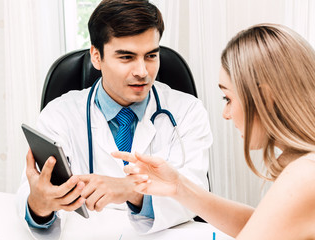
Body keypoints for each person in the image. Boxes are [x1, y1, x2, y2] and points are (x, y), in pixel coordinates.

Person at [16, 0, 213, 236]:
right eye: (127, 57)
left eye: (151, 55)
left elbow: (197, 195)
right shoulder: (59, 115)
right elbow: (34, 196)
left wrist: (133, 190)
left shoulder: (188, 111)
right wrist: (39, 206)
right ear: (96, 57)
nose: (142, 71)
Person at [113, 23, 315, 239]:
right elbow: (265, 225)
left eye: (228, 98)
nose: (226, 114)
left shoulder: (304, 175)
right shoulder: (302, 165)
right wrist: (178, 186)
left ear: (264, 98)